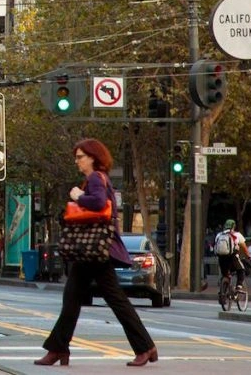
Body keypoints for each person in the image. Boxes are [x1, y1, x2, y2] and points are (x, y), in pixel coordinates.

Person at [35, 138, 157, 368]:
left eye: (80, 157)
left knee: (113, 300)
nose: (77, 161)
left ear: (93, 157)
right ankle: (58, 348)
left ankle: (144, 347)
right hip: (91, 251)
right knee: (72, 299)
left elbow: (100, 203)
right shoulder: (96, 179)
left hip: (95, 249)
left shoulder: (95, 178)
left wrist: (78, 197)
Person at [214, 219, 249, 290]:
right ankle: (239, 286)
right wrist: (248, 256)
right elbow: (244, 247)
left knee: (225, 274)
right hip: (232, 257)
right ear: (233, 226)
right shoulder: (237, 234)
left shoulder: (219, 235)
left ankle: (223, 289)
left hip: (221, 257)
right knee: (241, 269)